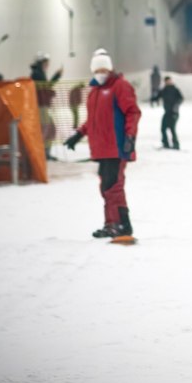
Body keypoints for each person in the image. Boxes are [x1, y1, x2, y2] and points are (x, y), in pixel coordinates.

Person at [62, 49, 141, 244]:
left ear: (111, 68)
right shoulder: (94, 92)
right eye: (98, 70)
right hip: (101, 149)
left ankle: (121, 224)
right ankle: (111, 224)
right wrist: (79, 134)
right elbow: (93, 120)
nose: (101, 73)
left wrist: (130, 137)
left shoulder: (120, 87)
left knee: (114, 187)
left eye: (105, 69)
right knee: (106, 187)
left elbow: (133, 112)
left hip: (117, 146)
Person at [30, 54, 63, 157]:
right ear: (41, 63)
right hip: (40, 107)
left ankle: (45, 152)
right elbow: (45, 88)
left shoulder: (39, 73)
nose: (47, 65)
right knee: (47, 129)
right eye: (46, 63)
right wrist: (56, 76)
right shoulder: (37, 74)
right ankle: (43, 153)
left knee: (50, 128)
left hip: (42, 106)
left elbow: (45, 88)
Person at [158, 75, 183, 149]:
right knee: (163, 128)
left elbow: (180, 98)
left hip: (174, 113)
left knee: (172, 128)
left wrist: (176, 106)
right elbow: (158, 96)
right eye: (167, 81)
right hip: (167, 112)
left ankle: (176, 144)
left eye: (169, 81)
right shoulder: (164, 90)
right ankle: (165, 143)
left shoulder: (175, 89)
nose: (168, 82)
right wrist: (153, 99)